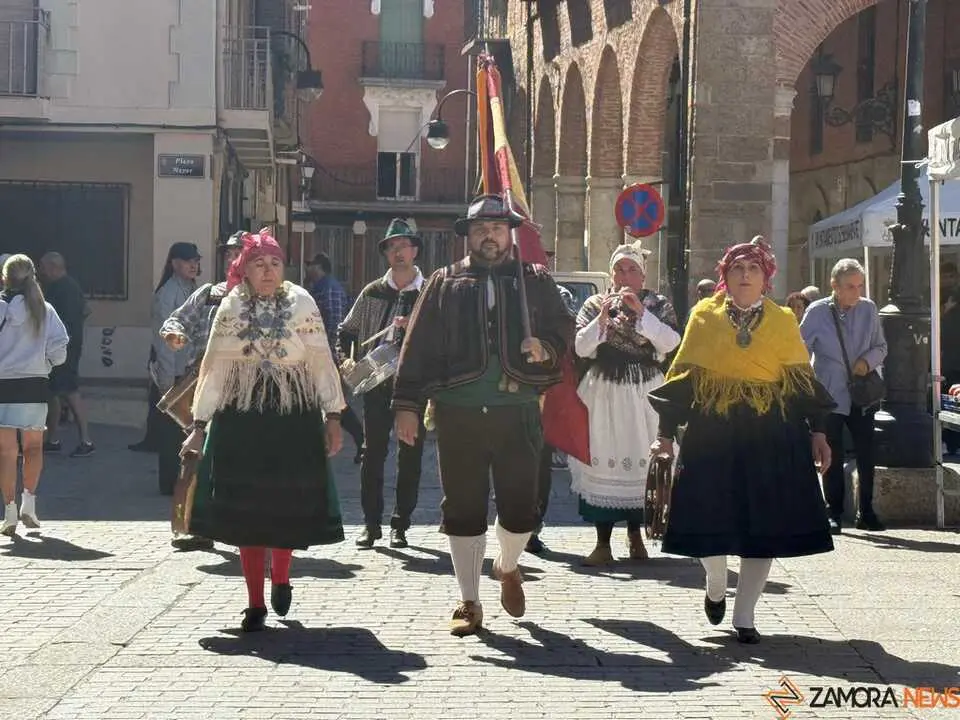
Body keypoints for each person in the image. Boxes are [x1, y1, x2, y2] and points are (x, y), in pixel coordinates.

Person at [392, 194, 573, 637]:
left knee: (522, 510)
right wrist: (407, 406)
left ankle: (507, 564)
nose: (488, 235)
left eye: (496, 228)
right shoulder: (443, 282)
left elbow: (562, 331)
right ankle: (469, 601)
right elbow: (417, 349)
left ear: (509, 233)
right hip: (459, 413)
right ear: (468, 236)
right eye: (479, 229)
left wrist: (544, 348)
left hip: (518, 411)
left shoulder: (535, 280)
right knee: (463, 507)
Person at [649, 237, 835, 644]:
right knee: (706, 518)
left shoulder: (784, 320)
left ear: (766, 278)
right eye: (738, 269)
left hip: (773, 433)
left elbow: (802, 382)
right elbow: (681, 381)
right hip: (713, 432)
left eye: (753, 269)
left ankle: (745, 615)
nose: (745, 275)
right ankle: (716, 582)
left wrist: (818, 433)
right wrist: (665, 437)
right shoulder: (704, 316)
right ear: (726, 277)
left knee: (762, 528)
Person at [182, 231, 346, 632]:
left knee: (286, 505)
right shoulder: (231, 307)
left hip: (293, 414)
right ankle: (254, 603)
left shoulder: (302, 302)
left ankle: (282, 576)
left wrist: (334, 415)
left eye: (274, 263)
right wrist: (199, 426)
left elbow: (322, 360)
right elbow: (214, 370)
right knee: (246, 513)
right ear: (245, 269)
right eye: (259, 264)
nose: (268, 271)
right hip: (242, 416)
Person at [569, 244, 681, 565]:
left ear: (643, 274)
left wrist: (642, 314)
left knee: (641, 459)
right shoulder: (594, 303)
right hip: (603, 392)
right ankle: (602, 542)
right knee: (602, 455)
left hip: (644, 391)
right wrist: (603, 318)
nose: (625, 276)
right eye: (620, 269)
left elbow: (671, 342)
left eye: (632, 270)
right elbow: (580, 347)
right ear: (612, 273)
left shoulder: (658, 304)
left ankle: (636, 535)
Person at [338, 219, 426, 549]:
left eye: (404, 245)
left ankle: (400, 524)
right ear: (387, 253)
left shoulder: (429, 292)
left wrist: (414, 326)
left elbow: (442, 336)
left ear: (415, 250)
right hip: (376, 384)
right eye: (392, 247)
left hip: (415, 386)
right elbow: (346, 332)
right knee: (372, 452)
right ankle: (371, 524)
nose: (398, 252)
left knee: (411, 454)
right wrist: (346, 359)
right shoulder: (372, 292)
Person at [159, 231, 247, 551]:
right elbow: (176, 319)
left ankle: (246, 529)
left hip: (247, 387)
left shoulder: (263, 296)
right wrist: (173, 333)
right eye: (229, 253)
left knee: (241, 459)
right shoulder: (210, 293)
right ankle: (194, 528)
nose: (232, 258)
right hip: (205, 383)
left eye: (239, 252)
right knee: (194, 456)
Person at [800, 258, 887, 533]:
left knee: (866, 453)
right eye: (850, 286)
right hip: (829, 393)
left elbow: (881, 347)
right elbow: (800, 349)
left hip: (862, 393)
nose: (856, 292)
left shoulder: (869, 309)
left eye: (860, 285)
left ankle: (867, 510)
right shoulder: (816, 311)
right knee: (832, 453)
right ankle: (833, 510)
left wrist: (866, 362)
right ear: (834, 286)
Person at [0, 255, 69, 535]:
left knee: (6, 453)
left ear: (4, 278)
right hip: (34, 384)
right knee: (33, 448)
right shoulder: (44, 309)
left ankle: (9, 511)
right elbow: (60, 347)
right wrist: (46, 364)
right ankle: (30, 502)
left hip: (2, 385)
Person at [151, 242, 202, 495]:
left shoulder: (193, 289)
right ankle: (169, 482)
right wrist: (166, 379)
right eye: (187, 260)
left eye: (195, 260)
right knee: (172, 430)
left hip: (189, 370)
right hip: (174, 371)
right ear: (174, 263)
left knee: (187, 428)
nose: (193, 265)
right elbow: (164, 340)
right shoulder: (168, 293)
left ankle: (184, 478)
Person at [306, 252, 365, 464]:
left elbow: (335, 324)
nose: (306, 269)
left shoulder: (329, 288)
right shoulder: (319, 288)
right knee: (330, 402)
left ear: (319, 266)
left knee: (336, 402)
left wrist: (330, 358)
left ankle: (361, 441)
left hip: (328, 358)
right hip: (320, 357)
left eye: (309, 264)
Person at [39, 252, 94, 458]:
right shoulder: (63, 287)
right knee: (53, 392)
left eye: (43, 267)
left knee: (70, 391)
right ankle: (52, 439)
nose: (41, 272)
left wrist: (64, 341)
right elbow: (86, 310)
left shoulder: (66, 288)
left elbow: (67, 320)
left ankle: (86, 441)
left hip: (64, 349)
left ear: (54, 267)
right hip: (60, 347)